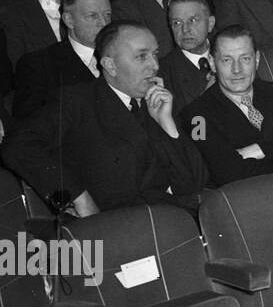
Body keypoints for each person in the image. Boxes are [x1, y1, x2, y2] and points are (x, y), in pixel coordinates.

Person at [2, 21, 207, 215]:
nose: (154, 65)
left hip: (172, 219)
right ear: (110, 65)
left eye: (155, 54)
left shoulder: (155, 101)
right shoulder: (78, 101)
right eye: (141, 56)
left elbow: (193, 183)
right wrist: (77, 196)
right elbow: (19, 145)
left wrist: (167, 123)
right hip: (116, 227)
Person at [179, 25, 273, 186]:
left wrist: (259, 150)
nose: (237, 70)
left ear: (256, 60)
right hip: (244, 204)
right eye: (227, 60)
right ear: (213, 64)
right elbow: (226, 173)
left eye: (245, 59)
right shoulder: (196, 116)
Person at [11, 0, 109, 119]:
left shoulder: (121, 55)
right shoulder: (40, 64)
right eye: (93, 16)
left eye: (107, 15)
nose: (104, 23)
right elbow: (29, 126)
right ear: (69, 20)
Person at [158, 0, 217, 110]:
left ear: (210, 24)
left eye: (193, 20)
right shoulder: (162, 73)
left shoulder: (229, 55)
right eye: (177, 23)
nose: (185, 29)